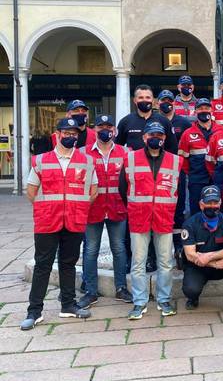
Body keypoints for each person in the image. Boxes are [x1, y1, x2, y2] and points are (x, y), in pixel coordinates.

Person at [21, 118, 97, 330]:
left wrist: (77, 206)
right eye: (66, 132)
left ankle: (68, 305)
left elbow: (93, 191)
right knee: (42, 266)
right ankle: (34, 311)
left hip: (74, 220)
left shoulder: (86, 161)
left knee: (69, 264)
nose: (70, 136)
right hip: (48, 222)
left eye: (74, 133)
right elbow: (31, 191)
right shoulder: (41, 160)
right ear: (57, 134)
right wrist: (46, 208)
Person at [119, 121, 183, 320]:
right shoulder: (130, 159)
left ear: (164, 139)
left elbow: (179, 191)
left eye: (160, 136)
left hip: (164, 217)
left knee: (165, 262)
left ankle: (164, 299)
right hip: (139, 216)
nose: (156, 139)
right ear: (144, 138)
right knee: (138, 263)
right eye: (152, 135)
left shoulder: (175, 161)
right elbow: (123, 189)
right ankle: (139, 302)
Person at [78, 115, 132, 310]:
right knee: (91, 250)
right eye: (101, 126)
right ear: (95, 129)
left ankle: (121, 288)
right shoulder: (83, 153)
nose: (105, 130)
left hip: (118, 209)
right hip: (93, 209)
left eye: (109, 126)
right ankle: (90, 291)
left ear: (115, 131)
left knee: (119, 249)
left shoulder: (126, 153)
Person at [181, 186, 223, 317]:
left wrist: (210, 257)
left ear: (220, 203)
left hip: (220, 265)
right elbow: (190, 255)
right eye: (208, 203)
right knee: (190, 290)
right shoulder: (190, 224)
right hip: (197, 266)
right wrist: (214, 263)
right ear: (201, 204)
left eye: (215, 202)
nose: (212, 206)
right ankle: (194, 298)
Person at [158, 89, 193, 252]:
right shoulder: (154, 120)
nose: (166, 103)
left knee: (180, 207)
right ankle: (160, 247)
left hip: (179, 170)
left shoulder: (183, 122)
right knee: (161, 207)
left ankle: (179, 245)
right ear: (158, 103)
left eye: (169, 100)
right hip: (158, 169)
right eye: (163, 100)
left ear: (174, 103)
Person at [179, 98, 223, 215]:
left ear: (212, 110)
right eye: (200, 108)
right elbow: (183, 159)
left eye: (207, 108)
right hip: (197, 178)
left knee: (219, 210)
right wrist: (193, 173)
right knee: (196, 210)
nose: (204, 111)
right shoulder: (187, 133)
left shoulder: (222, 131)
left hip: (218, 178)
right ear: (195, 111)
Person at [116, 84, 178, 153]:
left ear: (153, 100)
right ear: (135, 100)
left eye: (148, 97)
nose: (144, 100)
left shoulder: (164, 121)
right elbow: (117, 147)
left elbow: (173, 148)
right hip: (133, 163)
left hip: (159, 163)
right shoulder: (125, 121)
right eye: (141, 97)